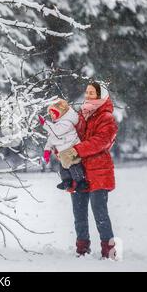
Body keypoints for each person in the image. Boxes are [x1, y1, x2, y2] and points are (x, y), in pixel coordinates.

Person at [59, 81, 118, 259]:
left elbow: (101, 141)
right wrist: (61, 147)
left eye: (92, 93)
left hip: (99, 172)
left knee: (100, 214)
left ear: (101, 96)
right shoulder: (81, 116)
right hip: (78, 172)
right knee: (79, 214)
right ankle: (82, 249)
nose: (88, 95)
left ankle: (109, 251)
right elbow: (69, 136)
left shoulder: (106, 117)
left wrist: (75, 150)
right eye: (87, 92)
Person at [38, 99, 88, 192]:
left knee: (74, 167)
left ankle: (81, 182)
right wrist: (47, 150)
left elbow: (57, 131)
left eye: (54, 113)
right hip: (63, 153)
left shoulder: (67, 123)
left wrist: (44, 123)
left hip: (71, 150)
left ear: (61, 112)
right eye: (50, 114)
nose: (51, 116)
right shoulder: (56, 125)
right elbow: (51, 138)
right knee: (63, 168)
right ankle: (66, 181)